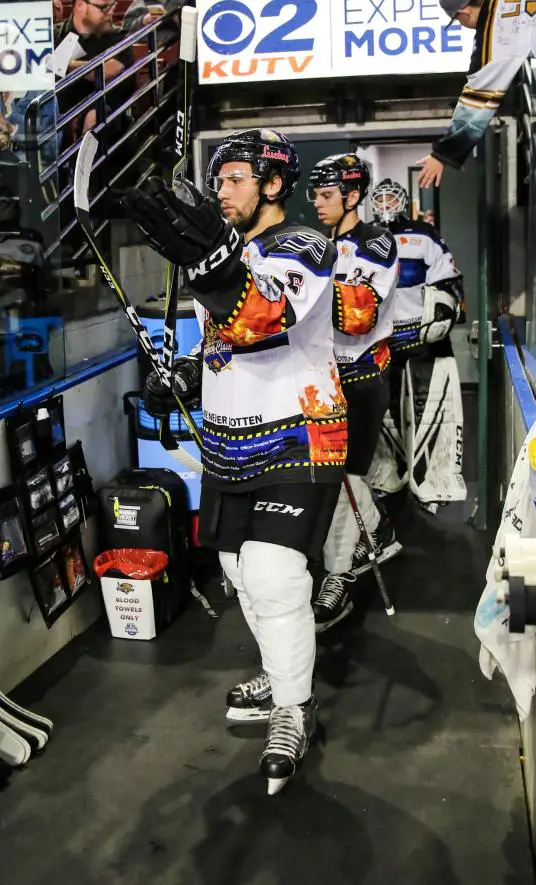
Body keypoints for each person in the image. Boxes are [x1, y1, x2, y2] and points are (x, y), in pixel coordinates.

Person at [123, 129, 346, 795]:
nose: (221, 189)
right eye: (216, 180)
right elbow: (228, 344)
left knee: (275, 575)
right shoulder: (227, 251)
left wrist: (214, 261)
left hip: (298, 436)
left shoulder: (304, 245)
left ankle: (293, 708)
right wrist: (189, 373)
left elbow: (263, 318)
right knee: (238, 574)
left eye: (236, 178)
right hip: (227, 444)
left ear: (273, 185)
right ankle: (282, 673)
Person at [306, 155, 400, 632]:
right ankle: (375, 527)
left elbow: (356, 316)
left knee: (345, 478)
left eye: (326, 195)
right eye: (315, 195)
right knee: (329, 479)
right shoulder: (320, 244)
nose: (318, 204)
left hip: (361, 378)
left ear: (352, 196)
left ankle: (338, 576)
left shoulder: (376, 243)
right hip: (323, 379)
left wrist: (298, 292)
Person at [366, 178, 466, 512]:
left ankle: (433, 480)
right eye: (378, 198)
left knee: (432, 411)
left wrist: (447, 312)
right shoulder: (365, 238)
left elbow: (448, 281)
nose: (384, 204)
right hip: (383, 342)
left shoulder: (423, 234)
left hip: (425, 342)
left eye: (389, 198)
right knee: (386, 414)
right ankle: (389, 477)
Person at [418, 0, 536, 188]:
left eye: (457, 20)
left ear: (464, 11)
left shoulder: (497, 23)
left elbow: (479, 98)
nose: (462, 25)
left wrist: (443, 153)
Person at [53, 0, 133, 136]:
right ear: (80, 6)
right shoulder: (53, 37)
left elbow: (106, 71)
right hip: (59, 118)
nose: (111, 12)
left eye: (112, 6)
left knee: (94, 115)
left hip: (105, 116)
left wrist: (63, 64)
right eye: (104, 8)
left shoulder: (120, 38)